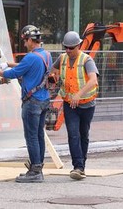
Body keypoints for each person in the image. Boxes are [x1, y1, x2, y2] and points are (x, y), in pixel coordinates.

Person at [0, 25, 52, 183]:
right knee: (39, 135)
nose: (24, 43)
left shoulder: (30, 57)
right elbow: (27, 68)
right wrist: (11, 64)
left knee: (31, 136)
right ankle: (38, 167)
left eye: (26, 40)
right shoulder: (46, 55)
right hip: (44, 100)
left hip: (31, 102)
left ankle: (35, 172)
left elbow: (14, 74)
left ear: (32, 40)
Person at [51, 30, 99, 181]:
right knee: (73, 134)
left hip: (87, 104)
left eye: (71, 48)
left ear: (78, 46)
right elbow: (52, 71)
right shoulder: (62, 58)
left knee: (83, 134)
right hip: (69, 104)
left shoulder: (87, 60)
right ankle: (77, 166)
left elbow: (93, 81)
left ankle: (81, 166)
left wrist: (78, 94)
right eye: (65, 47)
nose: (68, 50)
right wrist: (53, 77)